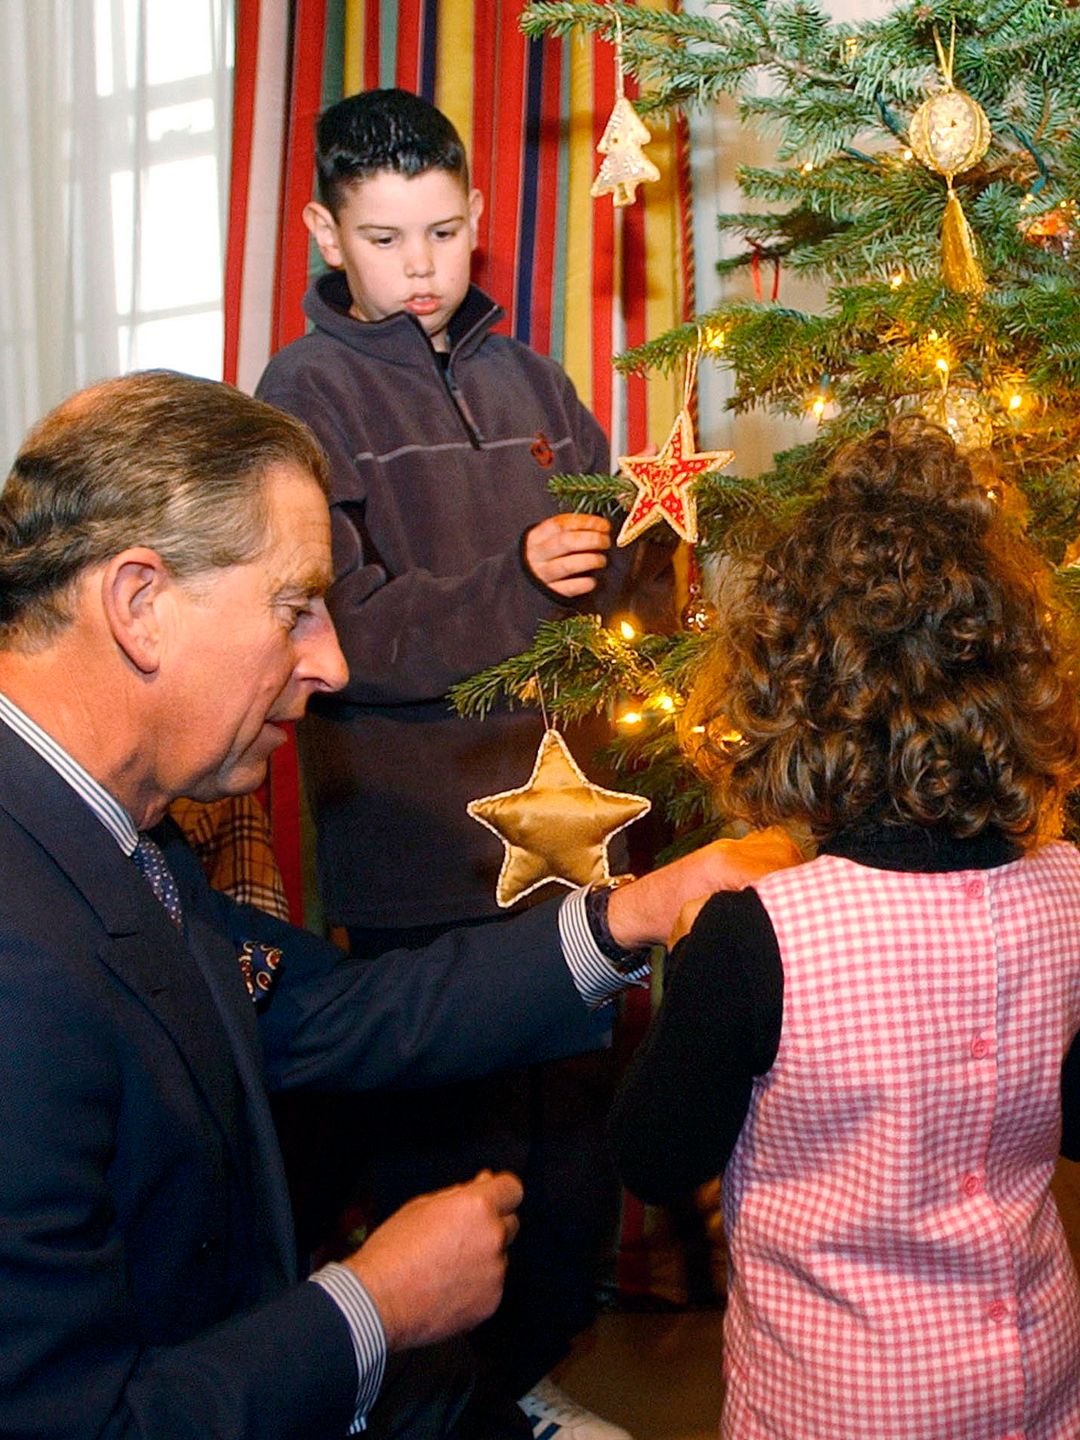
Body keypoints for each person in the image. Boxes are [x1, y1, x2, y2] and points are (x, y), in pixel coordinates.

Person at [0, 369, 799, 1440]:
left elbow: (334, 1012)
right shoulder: (20, 952)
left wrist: (636, 913)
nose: (329, 661)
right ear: (139, 603)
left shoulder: (102, 834)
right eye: (296, 609)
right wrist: (369, 1309)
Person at [255, 88, 675, 1438]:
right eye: (385, 238)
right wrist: (516, 578)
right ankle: (457, 1404)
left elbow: (614, 560)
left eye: (441, 231)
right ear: (326, 229)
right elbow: (341, 632)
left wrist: (651, 545)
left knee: (566, 1165)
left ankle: (526, 1380)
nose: (420, 265)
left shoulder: (537, 381)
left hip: (571, 840)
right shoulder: (301, 393)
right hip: (421, 863)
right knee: (454, 1170)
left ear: (480, 219)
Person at [611, 418, 1080, 1440]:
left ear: (793, 691)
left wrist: (689, 974)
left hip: (840, 1404)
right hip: (1035, 1382)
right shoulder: (1068, 889)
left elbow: (653, 1155)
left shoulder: (753, 939)